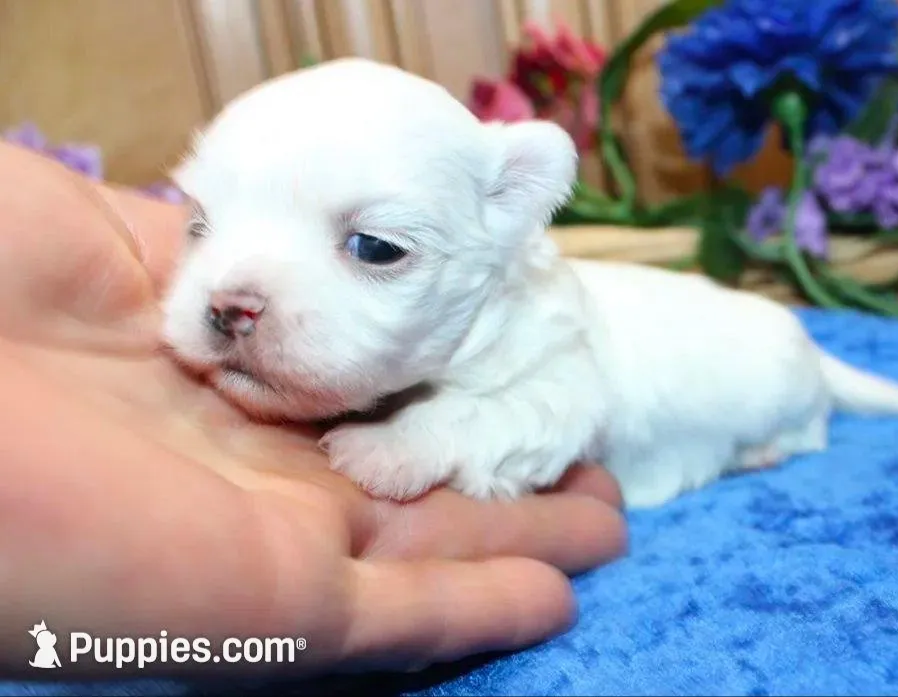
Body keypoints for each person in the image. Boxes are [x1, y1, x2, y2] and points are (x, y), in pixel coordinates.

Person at [0, 142, 627, 679]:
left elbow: (568, 400)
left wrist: (438, 438)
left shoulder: (546, 321)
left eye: (374, 248)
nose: (231, 296)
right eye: (203, 224)